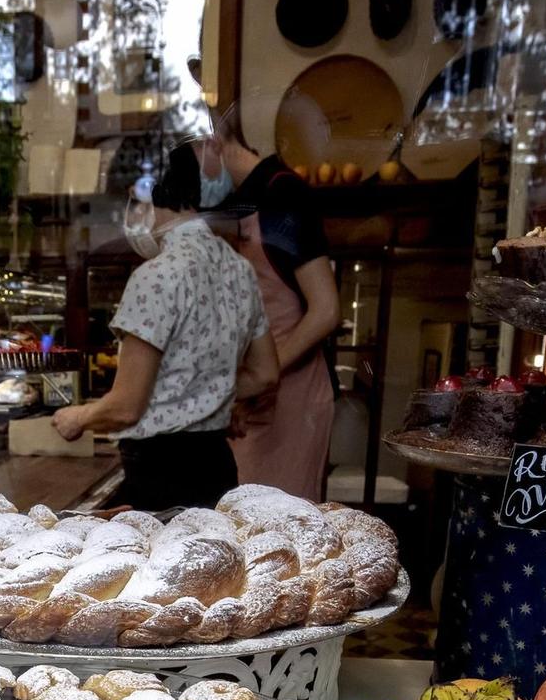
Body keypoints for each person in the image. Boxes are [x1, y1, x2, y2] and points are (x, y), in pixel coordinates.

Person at [51, 147, 279, 510]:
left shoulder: (156, 276)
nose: (130, 214)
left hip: (160, 471)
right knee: (211, 563)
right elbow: (266, 374)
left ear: (146, 192)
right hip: (216, 463)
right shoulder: (239, 269)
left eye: (131, 200)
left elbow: (126, 407)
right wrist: (211, 394)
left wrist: (77, 417)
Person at [190, 112, 341, 502]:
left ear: (212, 144)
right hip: (255, 396)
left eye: (189, 163)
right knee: (242, 522)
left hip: (293, 400)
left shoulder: (283, 194)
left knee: (278, 529)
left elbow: (326, 310)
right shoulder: (243, 201)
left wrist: (263, 373)